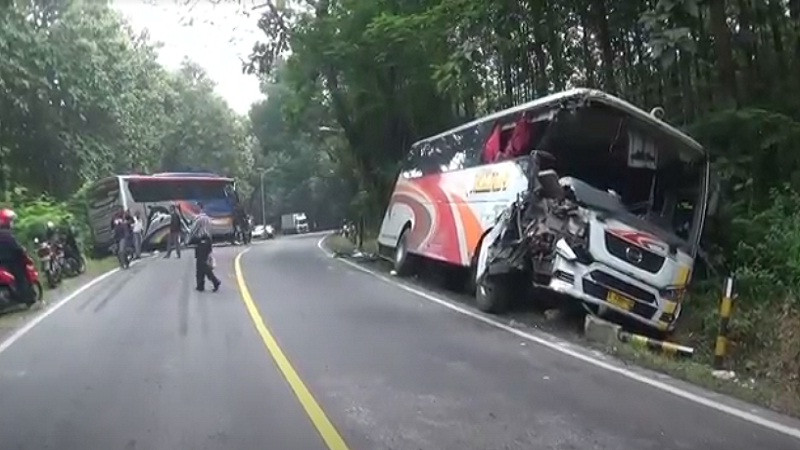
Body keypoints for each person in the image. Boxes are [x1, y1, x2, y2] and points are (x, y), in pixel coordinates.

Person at [0, 209, 32, 299]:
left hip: (2, 263)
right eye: (10, 221)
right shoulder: (7, 234)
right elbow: (17, 248)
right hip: (11, 262)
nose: (12, 223)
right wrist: (24, 253)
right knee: (21, 278)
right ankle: (27, 298)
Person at [189, 202, 220, 292]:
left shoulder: (199, 219)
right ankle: (200, 285)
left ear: (199, 208)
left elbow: (193, 231)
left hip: (201, 242)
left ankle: (214, 281)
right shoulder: (208, 219)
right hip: (208, 242)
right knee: (201, 264)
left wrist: (187, 241)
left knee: (201, 265)